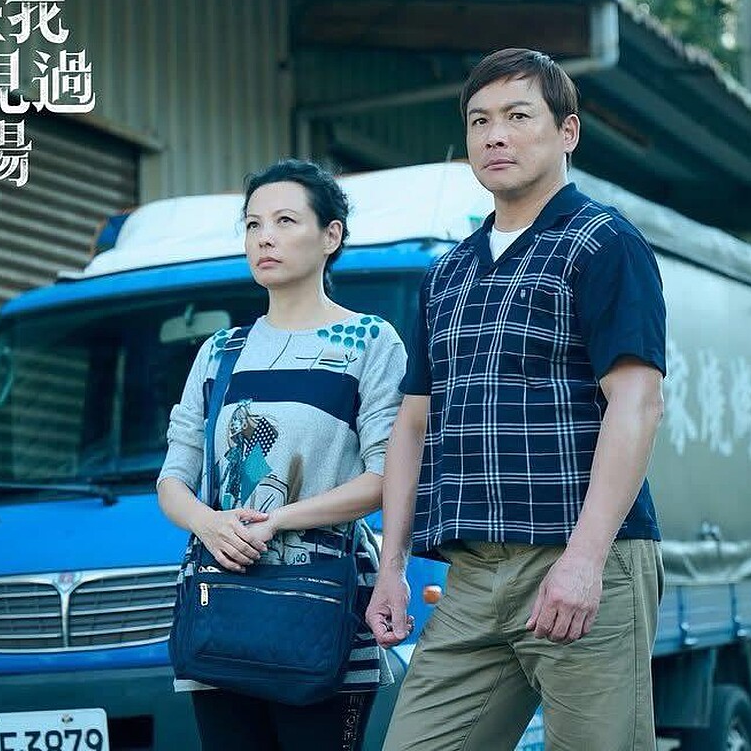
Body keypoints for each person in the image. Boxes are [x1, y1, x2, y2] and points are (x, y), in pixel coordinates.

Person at [367, 48, 668, 751]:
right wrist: (391, 566)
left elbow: (637, 403)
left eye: (517, 116)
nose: (495, 135)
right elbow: (413, 425)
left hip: (584, 556)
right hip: (473, 574)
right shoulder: (447, 273)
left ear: (567, 132)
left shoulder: (603, 243)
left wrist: (585, 560)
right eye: (479, 121)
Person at [157, 159, 407, 751]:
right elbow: (173, 478)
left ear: (331, 235)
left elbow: (388, 476)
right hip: (221, 609)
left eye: (285, 221)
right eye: (252, 225)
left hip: (321, 605)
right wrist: (208, 523)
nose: (264, 237)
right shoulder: (220, 352)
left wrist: (277, 520)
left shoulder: (369, 342)